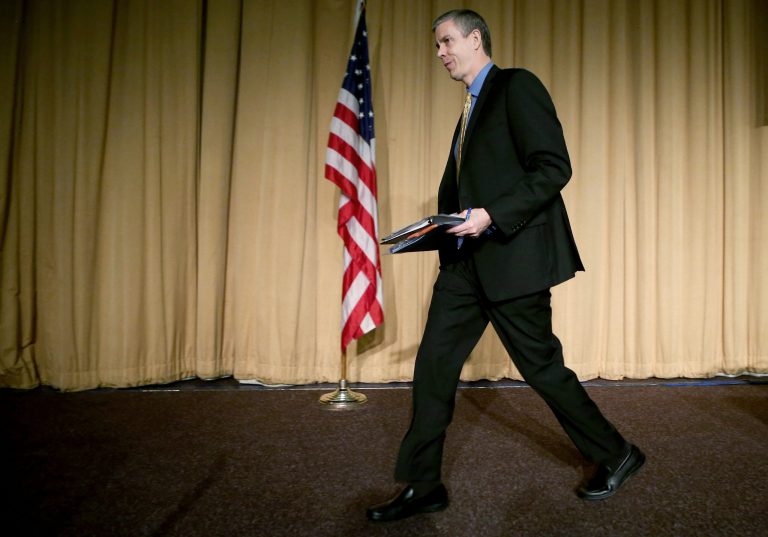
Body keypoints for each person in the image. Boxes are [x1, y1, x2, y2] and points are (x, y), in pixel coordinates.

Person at [366, 9, 645, 522]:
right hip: (464, 266)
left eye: (447, 41)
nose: (441, 53)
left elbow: (554, 166)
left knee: (542, 369)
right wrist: (439, 227)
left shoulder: (516, 87)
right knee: (433, 367)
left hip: (513, 260)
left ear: (475, 39)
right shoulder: (468, 110)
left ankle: (616, 452)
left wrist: (492, 214)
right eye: (436, 46)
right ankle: (423, 483)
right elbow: (472, 186)